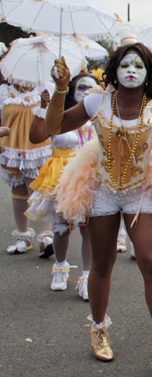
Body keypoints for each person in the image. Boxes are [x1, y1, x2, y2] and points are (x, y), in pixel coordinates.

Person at [45, 30, 152, 369]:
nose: (131, 70)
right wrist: (61, 89)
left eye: (138, 64)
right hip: (104, 191)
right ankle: (98, 329)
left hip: (141, 192)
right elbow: (54, 126)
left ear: (149, 72)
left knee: (151, 262)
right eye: (125, 64)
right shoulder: (97, 102)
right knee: (103, 263)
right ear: (114, 69)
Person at [26, 73, 95, 296]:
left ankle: (86, 277)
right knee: (62, 229)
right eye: (83, 87)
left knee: (88, 229)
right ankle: (60, 267)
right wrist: (43, 107)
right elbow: (36, 137)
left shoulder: (100, 115)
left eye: (92, 88)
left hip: (89, 174)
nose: (87, 91)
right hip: (62, 176)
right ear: (72, 90)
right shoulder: (59, 115)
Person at [0, 81, 54, 256]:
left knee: (38, 193)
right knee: (18, 194)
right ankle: (23, 236)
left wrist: (46, 103)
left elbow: (55, 120)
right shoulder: (4, 92)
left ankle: (46, 238)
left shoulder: (45, 88)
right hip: (11, 150)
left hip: (37, 149)